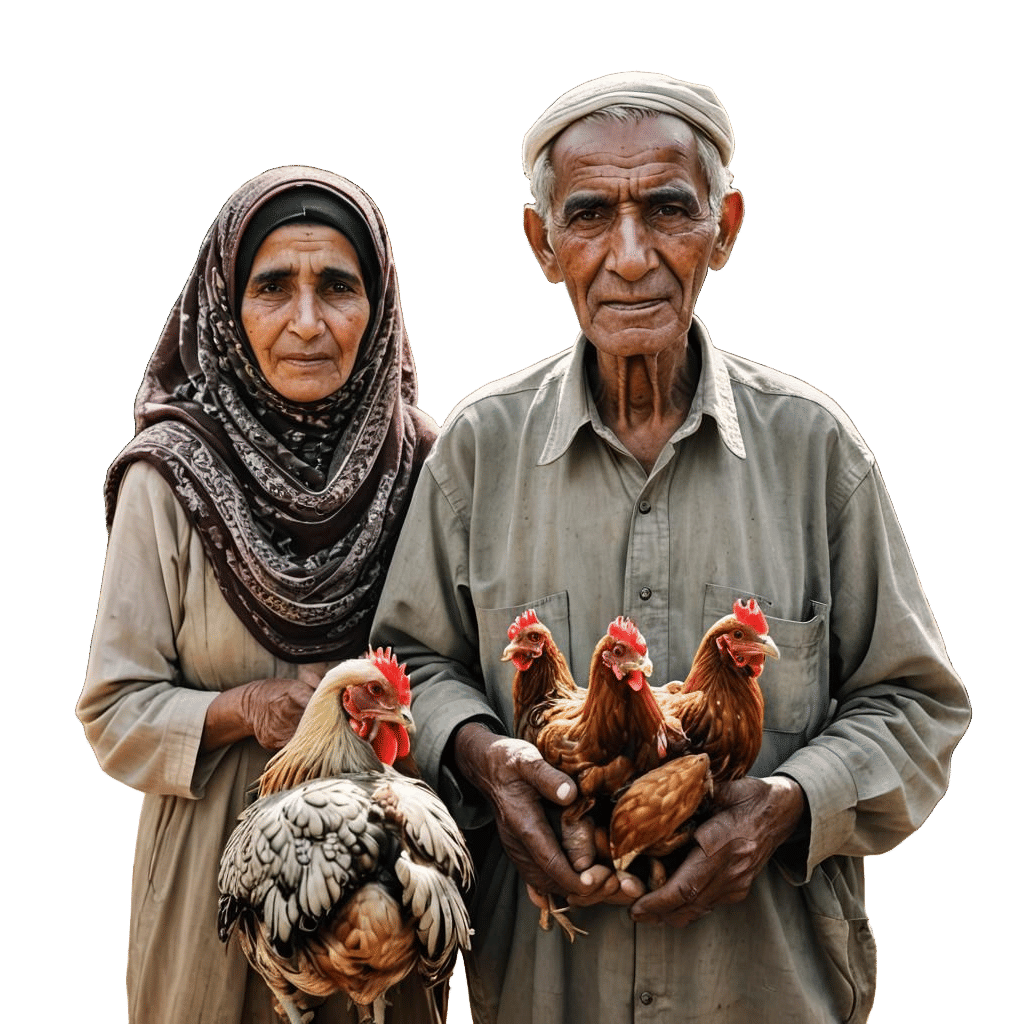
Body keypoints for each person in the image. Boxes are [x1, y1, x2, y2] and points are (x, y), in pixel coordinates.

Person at [370, 73, 971, 1024]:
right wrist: (486, 760)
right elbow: (407, 664)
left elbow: (918, 707)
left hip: (766, 994)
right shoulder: (477, 453)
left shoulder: (815, 453)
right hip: (545, 992)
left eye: (668, 209)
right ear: (542, 245)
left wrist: (785, 804)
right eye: (589, 216)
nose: (631, 254)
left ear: (724, 230)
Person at [77, 165, 442, 1024]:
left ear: (379, 305)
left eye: (338, 287)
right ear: (224, 309)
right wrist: (244, 709)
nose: (306, 322)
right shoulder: (169, 478)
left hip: (375, 898)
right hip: (213, 889)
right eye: (273, 286)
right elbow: (112, 709)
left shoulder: (425, 466)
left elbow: (458, 670)